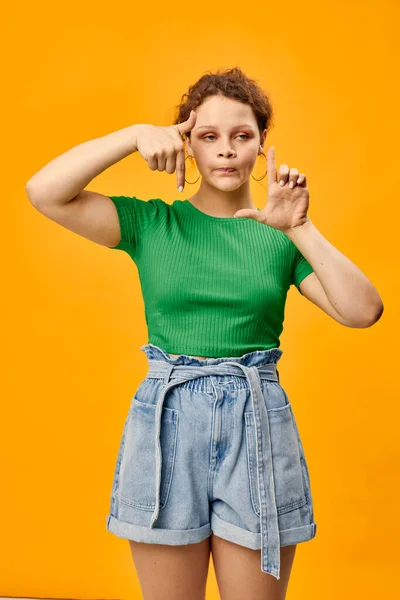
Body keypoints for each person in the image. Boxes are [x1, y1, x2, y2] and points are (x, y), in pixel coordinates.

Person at [26, 67, 383, 600]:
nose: (225, 150)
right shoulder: (152, 224)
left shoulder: (281, 238)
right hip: (167, 423)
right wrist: (131, 135)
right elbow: (44, 192)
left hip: (257, 423)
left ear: (262, 145)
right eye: (208, 136)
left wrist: (299, 229)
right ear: (185, 144)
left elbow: (363, 311)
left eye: (242, 136)